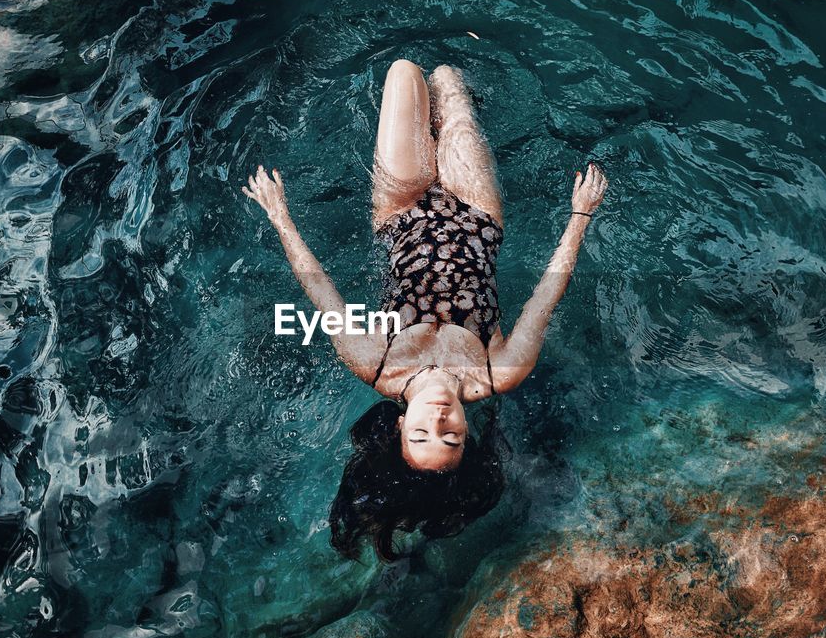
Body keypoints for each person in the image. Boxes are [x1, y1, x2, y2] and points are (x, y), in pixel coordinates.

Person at [243, 60, 607, 558]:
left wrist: (279, 215)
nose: (439, 420)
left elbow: (320, 290)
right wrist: (579, 216)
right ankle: (459, 95)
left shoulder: (372, 361)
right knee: (449, 79)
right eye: (452, 437)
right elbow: (545, 294)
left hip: (399, 211)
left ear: (397, 428)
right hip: (477, 214)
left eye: (421, 433)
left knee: (403, 73)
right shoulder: (499, 370)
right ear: (467, 439)